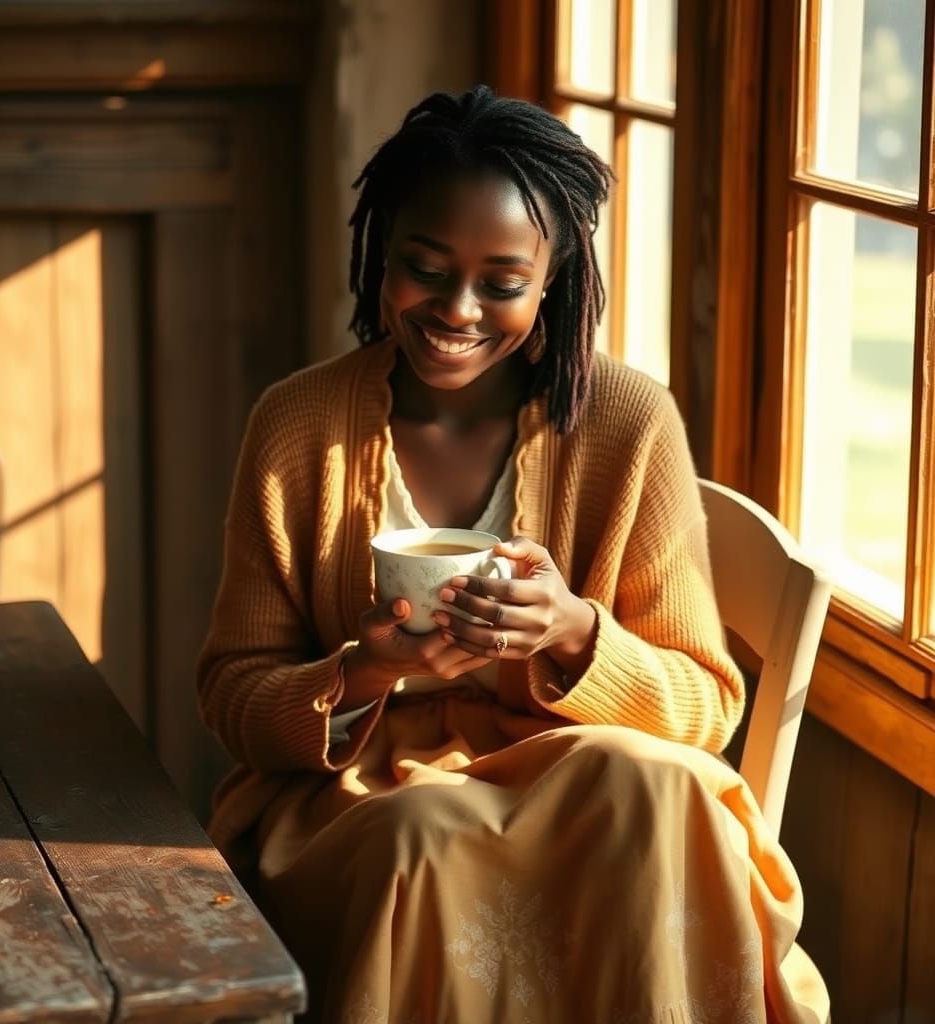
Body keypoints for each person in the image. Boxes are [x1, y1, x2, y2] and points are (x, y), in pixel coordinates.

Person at [197, 86, 828, 1024]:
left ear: (552, 282)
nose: (458, 308)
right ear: (380, 254)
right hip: (368, 798)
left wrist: (576, 637)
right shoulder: (297, 426)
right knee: (428, 838)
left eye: (502, 283)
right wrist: (362, 673)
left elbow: (707, 706)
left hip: (575, 770)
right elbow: (234, 694)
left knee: (658, 791)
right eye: (424, 267)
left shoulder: (626, 424)